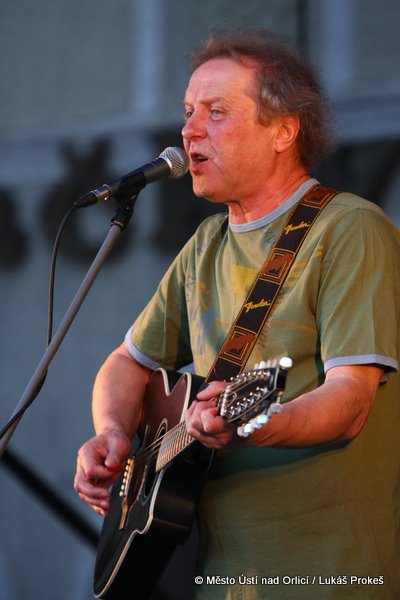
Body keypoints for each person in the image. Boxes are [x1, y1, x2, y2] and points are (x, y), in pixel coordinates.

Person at [74, 28, 400, 599]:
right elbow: (127, 361)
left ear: (283, 131)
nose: (189, 130)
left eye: (216, 112)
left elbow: (351, 399)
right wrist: (112, 433)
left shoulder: (350, 229)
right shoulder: (206, 244)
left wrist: (258, 425)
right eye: (188, 112)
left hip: (329, 574)